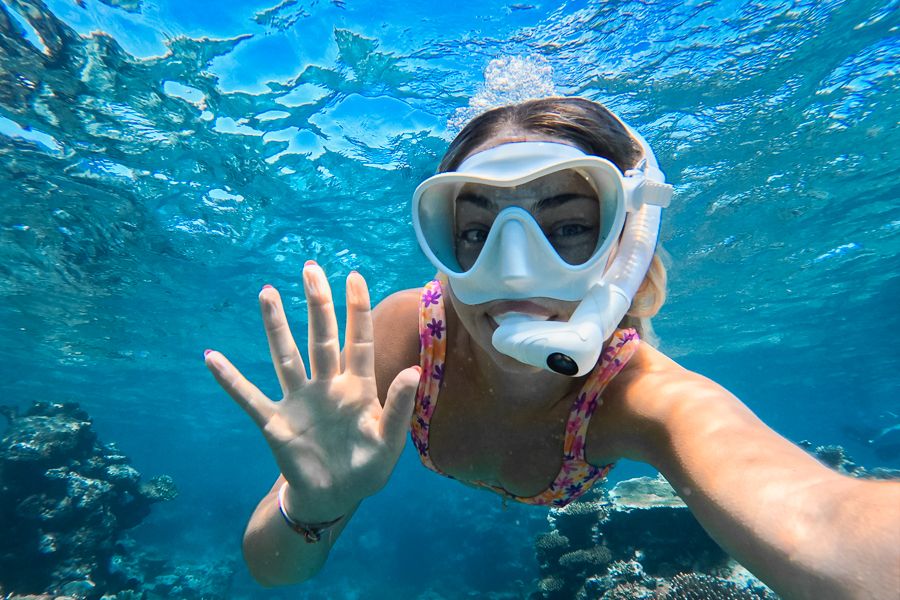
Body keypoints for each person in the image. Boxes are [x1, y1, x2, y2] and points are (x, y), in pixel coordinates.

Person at [204, 97, 900, 599]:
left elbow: (820, 526)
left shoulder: (641, 396)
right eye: (475, 234)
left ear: (627, 250)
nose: (514, 274)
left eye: (567, 228)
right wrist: (314, 505)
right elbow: (274, 569)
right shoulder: (408, 335)